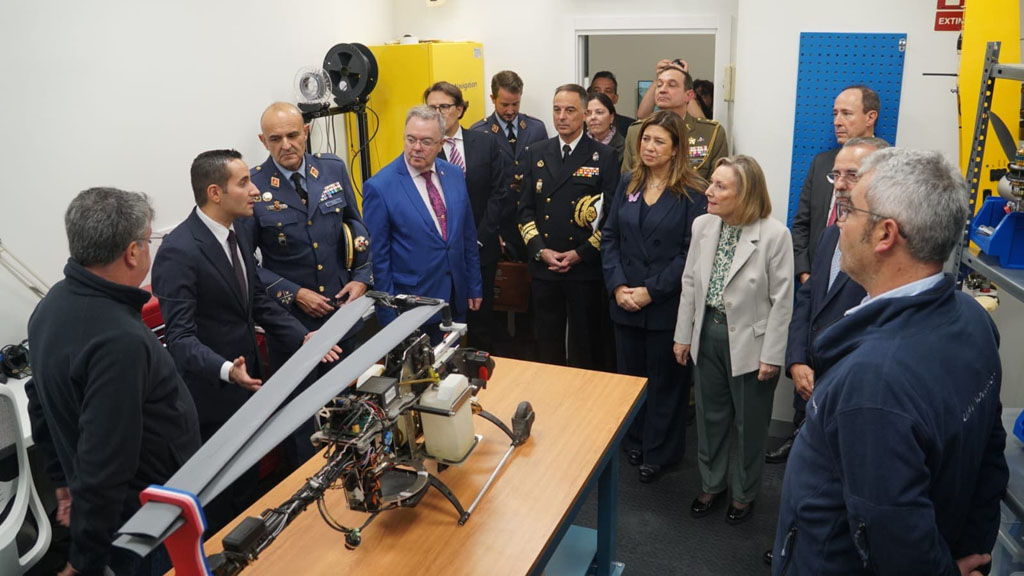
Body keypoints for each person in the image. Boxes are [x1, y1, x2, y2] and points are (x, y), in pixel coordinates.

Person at [772, 148, 1007, 575]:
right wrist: (975, 554)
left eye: (849, 211)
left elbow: (894, 529)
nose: (839, 222)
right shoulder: (973, 320)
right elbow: (989, 464)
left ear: (885, 234)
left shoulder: (874, 380)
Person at [152, 150, 341, 528]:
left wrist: (303, 336)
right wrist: (227, 369)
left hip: (248, 383)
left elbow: (256, 301)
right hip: (212, 395)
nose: (256, 190)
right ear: (215, 193)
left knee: (248, 482)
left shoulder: (237, 231)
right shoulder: (179, 251)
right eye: (244, 183)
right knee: (223, 497)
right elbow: (180, 338)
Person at [27, 188, 201, 576]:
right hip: (147, 523)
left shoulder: (51, 305)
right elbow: (104, 462)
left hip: (117, 510)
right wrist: (82, 563)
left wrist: (61, 480)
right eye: (149, 240)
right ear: (133, 252)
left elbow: (37, 400)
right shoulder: (120, 339)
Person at [673, 155, 793, 525]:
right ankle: (711, 484)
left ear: (745, 194)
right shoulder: (703, 225)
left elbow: (783, 300)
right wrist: (683, 335)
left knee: (750, 425)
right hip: (707, 332)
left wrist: (772, 356)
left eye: (720, 186)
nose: (708, 191)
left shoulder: (775, 235)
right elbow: (690, 283)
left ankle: (743, 494)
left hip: (753, 345)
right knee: (709, 417)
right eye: (712, 182)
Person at [765, 137, 888, 465]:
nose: (840, 185)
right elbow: (807, 300)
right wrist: (796, 360)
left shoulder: (888, 248)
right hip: (809, 382)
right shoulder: (831, 233)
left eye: (853, 175)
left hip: (849, 394)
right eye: (837, 175)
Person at [601, 111, 707, 483]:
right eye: (646, 139)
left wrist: (651, 291)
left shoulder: (693, 192)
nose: (649, 147)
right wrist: (618, 286)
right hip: (625, 300)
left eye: (659, 141)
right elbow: (610, 237)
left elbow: (690, 253)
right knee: (630, 379)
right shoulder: (628, 182)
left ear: (676, 149)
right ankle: (634, 440)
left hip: (665, 303)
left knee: (666, 383)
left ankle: (660, 452)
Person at [238, 102, 371, 346]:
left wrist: (362, 278)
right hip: (292, 322)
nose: (286, 145)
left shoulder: (332, 168)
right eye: (275, 139)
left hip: (341, 310)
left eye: (292, 135)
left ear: (306, 132)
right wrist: (294, 293)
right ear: (263, 141)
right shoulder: (253, 185)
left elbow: (355, 226)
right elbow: (246, 262)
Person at [517, 84, 619, 368]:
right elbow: (524, 210)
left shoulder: (603, 156)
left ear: (585, 114)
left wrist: (580, 254)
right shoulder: (536, 152)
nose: (561, 117)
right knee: (546, 344)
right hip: (545, 265)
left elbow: (611, 217)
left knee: (585, 346)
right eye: (557, 110)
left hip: (584, 267)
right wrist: (540, 250)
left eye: (570, 110)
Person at [362, 105, 483, 341]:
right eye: (411, 139)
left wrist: (473, 285)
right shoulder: (380, 187)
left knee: (453, 362)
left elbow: (467, 235)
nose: (416, 148)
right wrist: (387, 317)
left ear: (441, 144)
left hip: (455, 297)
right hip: (412, 307)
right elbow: (378, 260)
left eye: (426, 142)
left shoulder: (454, 174)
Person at [424, 81, 508, 352]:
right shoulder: (425, 151)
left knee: (481, 321)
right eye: (431, 108)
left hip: (482, 248)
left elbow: (499, 193)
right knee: (444, 326)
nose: (437, 113)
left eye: (444, 107)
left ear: (459, 109)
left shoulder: (485, 142)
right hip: (441, 255)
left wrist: (478, 238)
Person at [791, 85, 879, 285]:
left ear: (870, 117)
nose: (837, 122)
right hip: (814, 280)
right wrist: (804, 273)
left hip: (859, 283)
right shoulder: (821, 163)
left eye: (846, 114)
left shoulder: (886, 165)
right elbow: (802, 223)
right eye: (835, 114)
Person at [470, 71, 548, 261]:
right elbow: (479, 189)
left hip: (532, 221)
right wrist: (490, 231)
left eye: (515, 104)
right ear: (492, 98)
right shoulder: (479, 133)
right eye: (504, 104)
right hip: (498, 222)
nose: (511, 110)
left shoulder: (536, 129)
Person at [623, 60, 728, 181]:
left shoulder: (711, 133)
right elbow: (627, 181)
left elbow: (717, 184)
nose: (662, 90)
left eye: (671, 85)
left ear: (689, 95)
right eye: (659, 85)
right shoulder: (636, 131)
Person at [588, 70, 636, 136]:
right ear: (589, 95)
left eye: (608, 91)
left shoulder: (630, 127)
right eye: (596, 91)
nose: (602, 95)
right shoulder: (580, 126)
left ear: (616, 98)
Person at [586, 92, 625, 166]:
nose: (593, 117)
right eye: (588, 113)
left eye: (599, 112)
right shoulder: (579, 144)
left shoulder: (622, 146)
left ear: (611, 117)